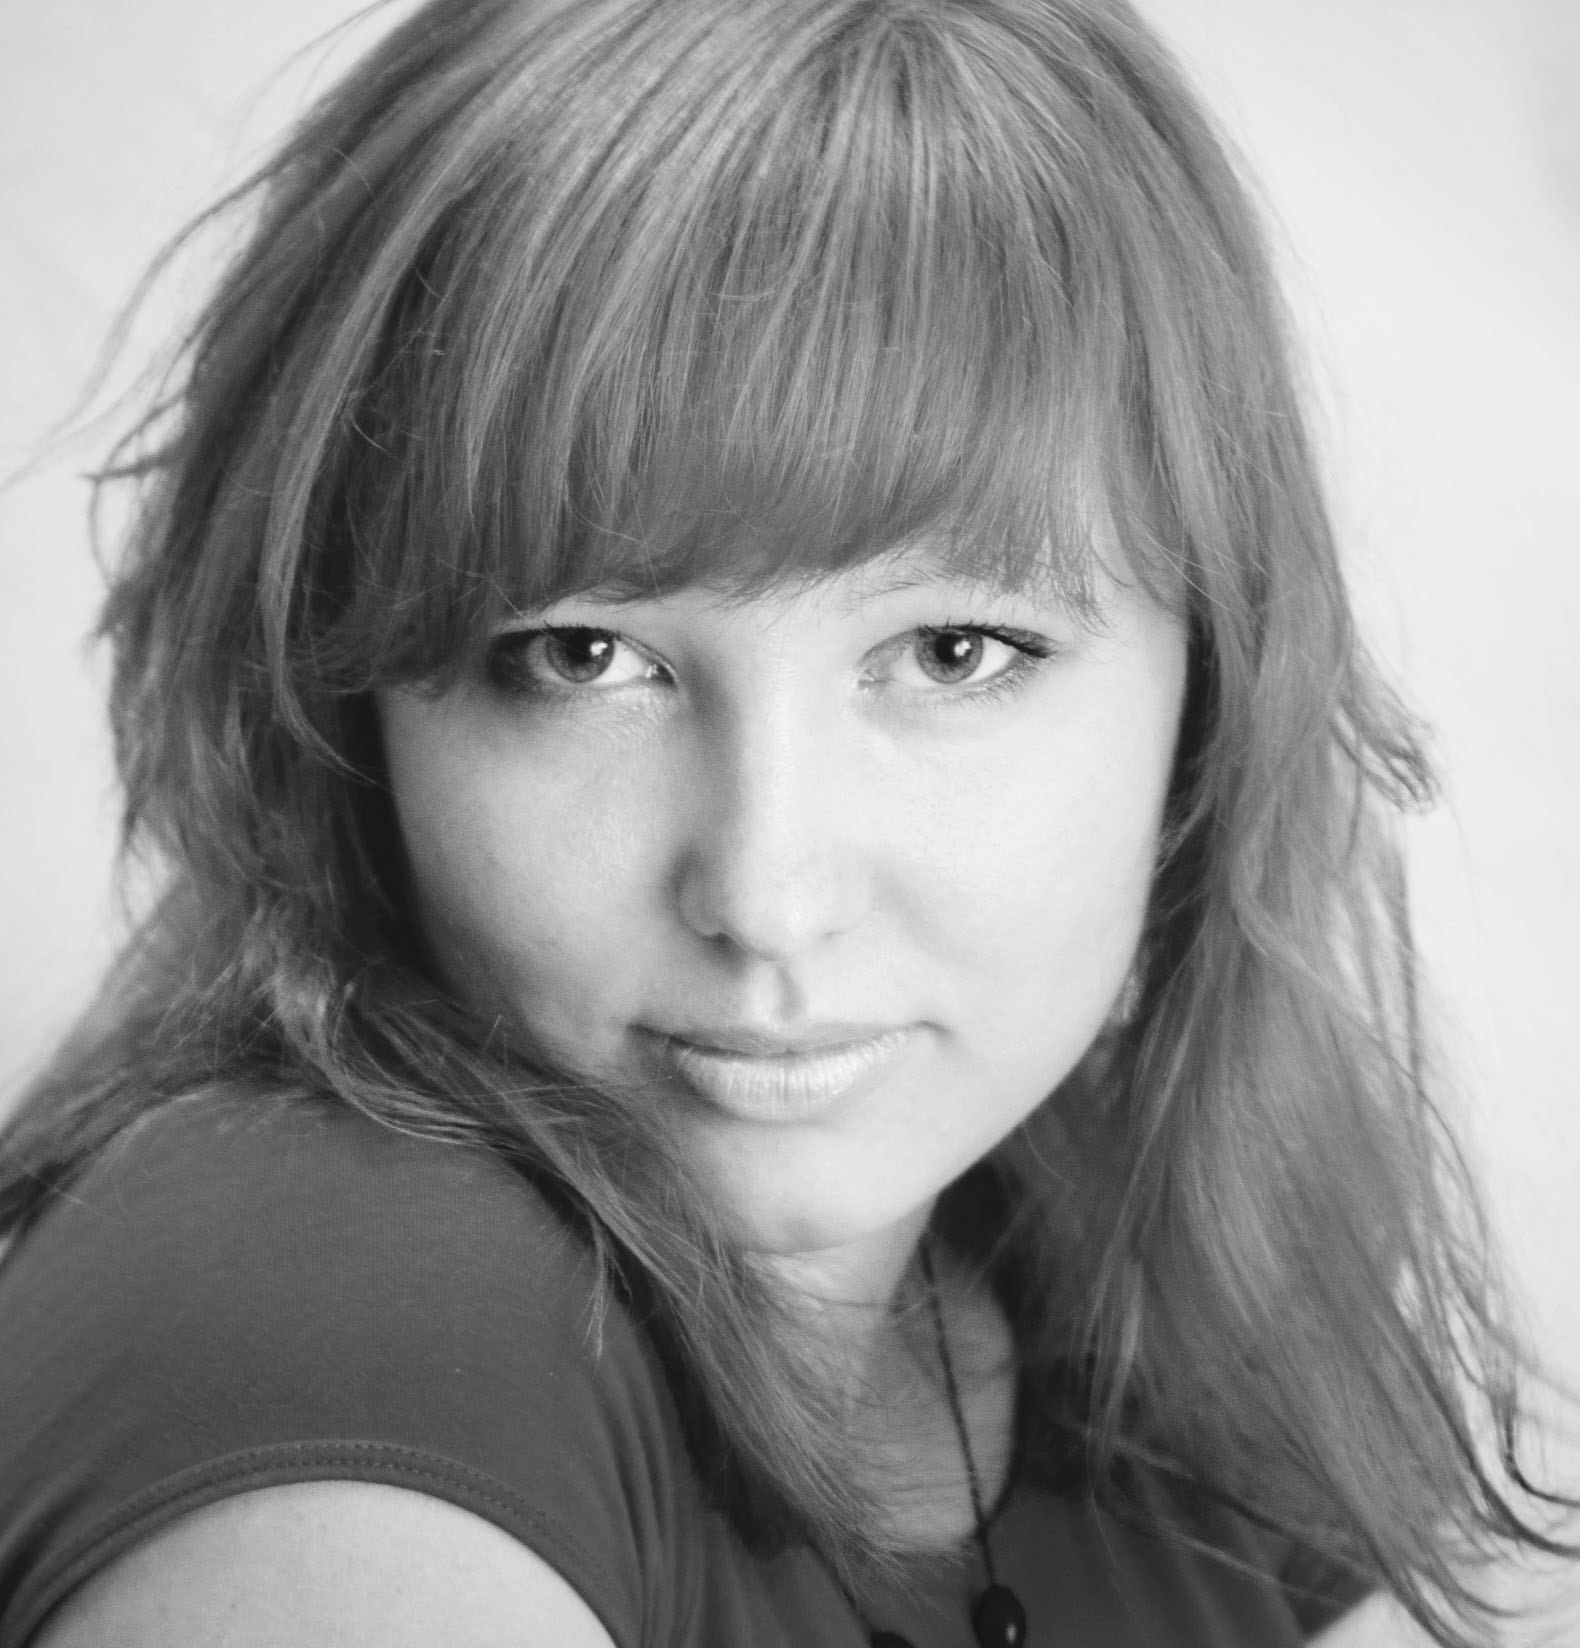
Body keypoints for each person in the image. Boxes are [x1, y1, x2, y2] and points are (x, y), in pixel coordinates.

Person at [0, 0, 1569, 1643]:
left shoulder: (1141, 1321)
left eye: (954, 653)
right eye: (583, 657)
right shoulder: (338, 1339)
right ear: (342, 700)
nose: (765, 890)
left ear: (1215, 691)